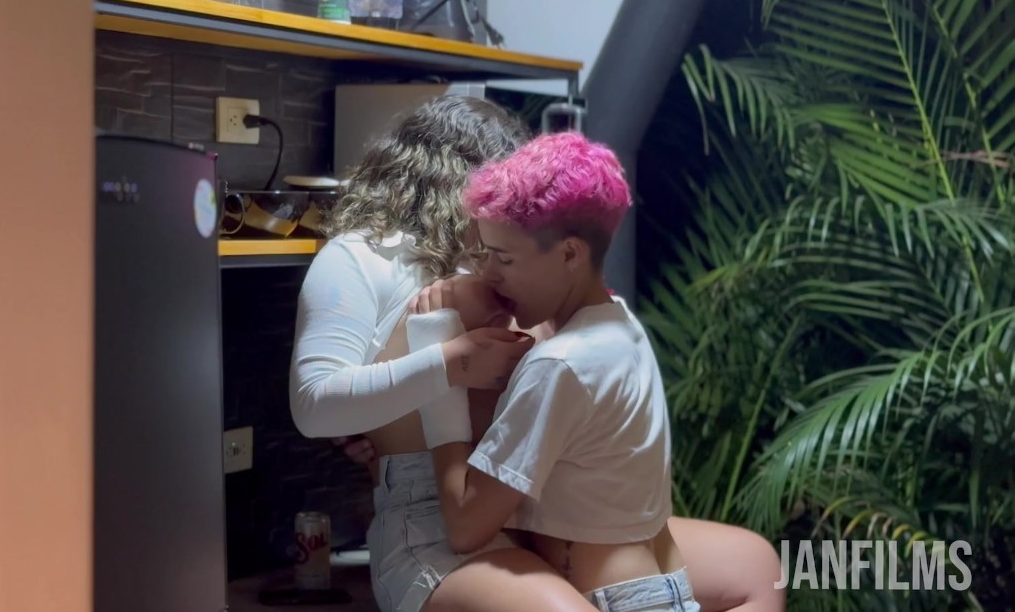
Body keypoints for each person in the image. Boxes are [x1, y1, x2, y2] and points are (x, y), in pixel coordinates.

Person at [290, 95, 784, 612]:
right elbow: (316, 405)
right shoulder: (363, 257)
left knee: (756, 568)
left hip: (539, 498)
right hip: (438, 513)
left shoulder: (529, 262)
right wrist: (446, 366)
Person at [409, 132, 694, 611]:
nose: (489, 273)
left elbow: (465, 526)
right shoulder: (620, 327)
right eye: (485, 255)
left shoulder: (560, 365)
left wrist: (439, 375)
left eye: (504, 258)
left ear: (569, 254)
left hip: (616, 601)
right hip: (662, 589)